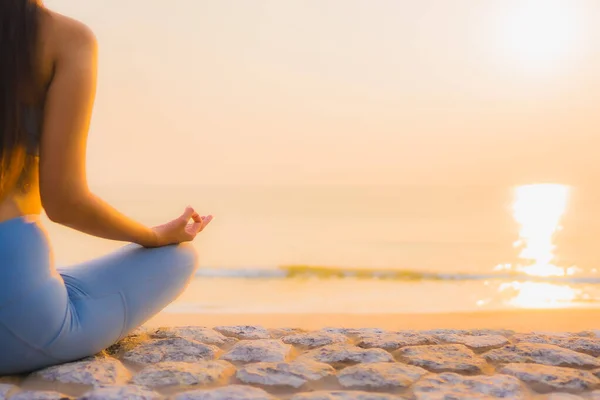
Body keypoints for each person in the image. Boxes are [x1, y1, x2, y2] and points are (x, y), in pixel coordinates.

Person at [0, 0, 213, 375]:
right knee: (177, 258)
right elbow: (65, 202)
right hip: (16, 321)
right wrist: (154, 235)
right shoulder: (63, 37)